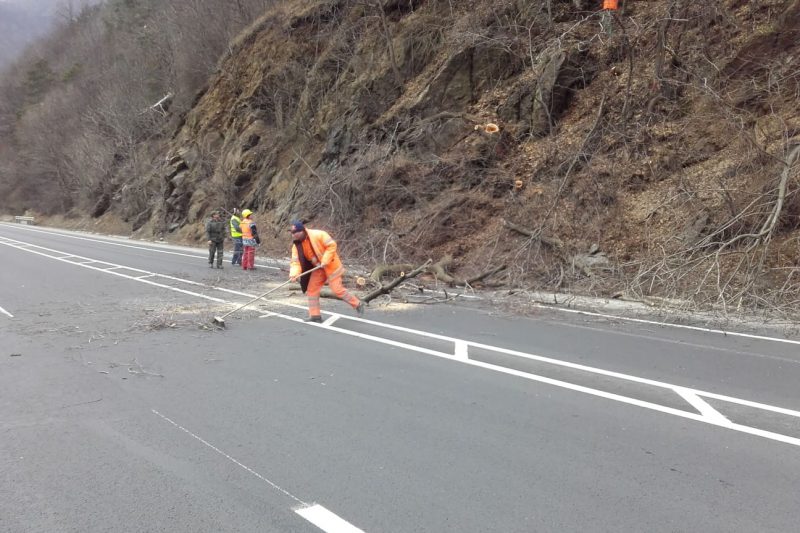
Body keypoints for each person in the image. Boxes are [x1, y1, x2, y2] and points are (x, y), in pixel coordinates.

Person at [288, 220, 364, 322]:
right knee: (312, 289)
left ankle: (358, 304)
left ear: (302, 231)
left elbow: (332, 245)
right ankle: (315, 315)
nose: (293, 235)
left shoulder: (319, 235)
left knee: (337, 290)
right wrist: (294, 274)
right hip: (318, 268)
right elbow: (295, 262)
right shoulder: (296, 246)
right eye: (292, 233)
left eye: (295, 232)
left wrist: (325, 260)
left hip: (331, 266)